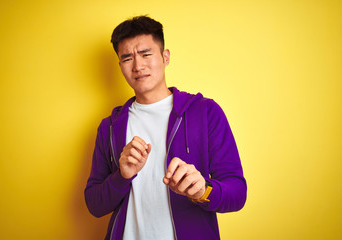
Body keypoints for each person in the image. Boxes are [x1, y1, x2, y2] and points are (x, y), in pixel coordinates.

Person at [84, 15, 247, 240]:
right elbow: (94, 204)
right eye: (127, 58)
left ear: (165, 56)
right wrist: (121, 176)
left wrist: (203, 191)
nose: (138, 65)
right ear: (120, 65)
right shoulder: (109, 127)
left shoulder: (205, 112)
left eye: (146, 54)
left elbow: (237, 193)